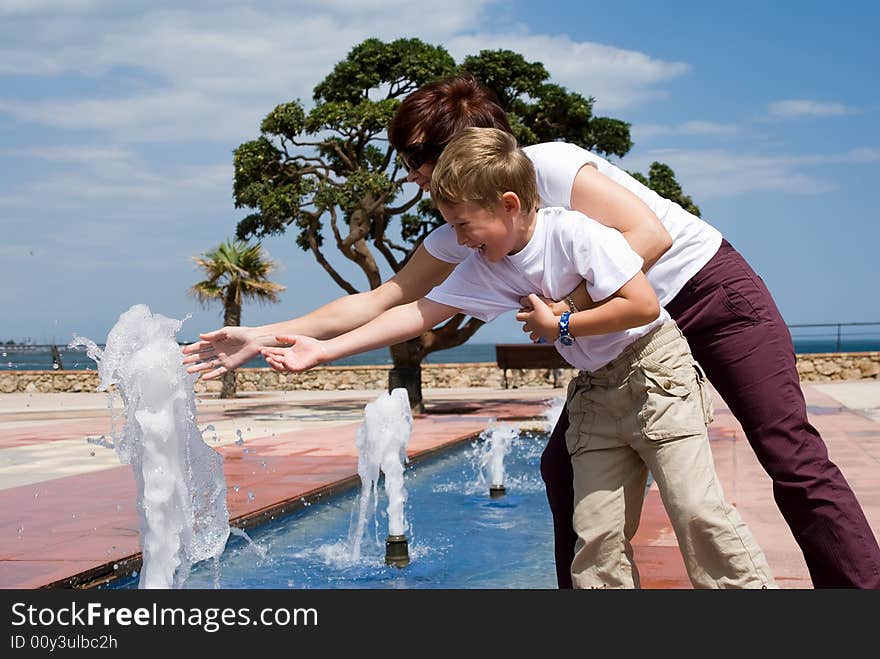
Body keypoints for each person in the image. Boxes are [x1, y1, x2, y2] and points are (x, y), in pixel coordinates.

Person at [183, 75, 880, 589]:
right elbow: (396, 297)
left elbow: (651, 234)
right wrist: (270, 333)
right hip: (621, 344)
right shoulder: (468, 228)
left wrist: (567, 312)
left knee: (789, 453)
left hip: (705, 294)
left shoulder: (543, 167)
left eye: (417, 160)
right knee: (562, 467)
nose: (412, 177)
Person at [259, 127, 777, 588]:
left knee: (695, 511)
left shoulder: (576, 232)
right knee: (595, 537)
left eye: (464, 225)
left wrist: (564, 322)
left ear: (509, 203)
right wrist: (323, 350)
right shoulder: (489, 265)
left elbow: (641, 304)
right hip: (596, 391)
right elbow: (419, 312)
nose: (458, 240)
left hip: (654, 373)